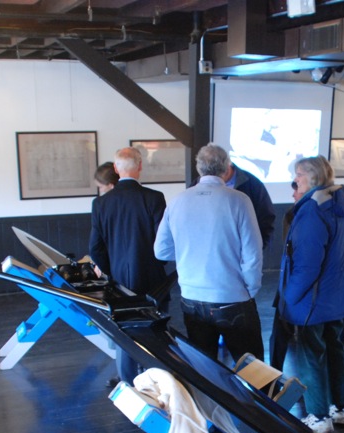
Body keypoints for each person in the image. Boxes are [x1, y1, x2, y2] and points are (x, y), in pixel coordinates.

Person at [154, 143, 264, 364]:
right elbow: (252, 252)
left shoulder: (177, 201)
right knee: (253, 370)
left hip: (192, 298)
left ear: (199, 168)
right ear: (227, 168)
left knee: (205, 368)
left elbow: (161, 251)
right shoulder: (239, 200)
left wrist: (189, 252)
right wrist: (251, 289)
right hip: (232, 297)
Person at [277, 156, 344, 433]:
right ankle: (342, 409)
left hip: (313, 300)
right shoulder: (340, 204)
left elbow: (307, 265)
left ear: (312, 178)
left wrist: (289, 297)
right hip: (338, 297)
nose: (294, 181)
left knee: (311, 355)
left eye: (297, 175)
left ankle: (319, 416)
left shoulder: (313, 210)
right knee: (335, 349)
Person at [89, 146, 169, 384]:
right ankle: (155, 382)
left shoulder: (101, 203)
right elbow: (163, 243)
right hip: (152, 278)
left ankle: (128, 384)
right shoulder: (154, 198)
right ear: (140, 166)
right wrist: (158, 264)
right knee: (156, 332)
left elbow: (95, 248)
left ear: (116, 168)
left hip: (119, 281)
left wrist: (110, 272)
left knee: (124, 332)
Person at [269, 179, 306, 372]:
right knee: (280, 331)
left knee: (282, 332)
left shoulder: (297, 215)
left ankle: (273, 375)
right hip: (292, 280)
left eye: (296, 190)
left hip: (296, 281)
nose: (293, 195)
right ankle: (273, 374)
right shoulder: (292, 214)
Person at [223, 161, 276, 250]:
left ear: (228, 166)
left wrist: (256, 248)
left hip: (244, 252)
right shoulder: (200, 185)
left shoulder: (252, 184)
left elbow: (266, 218)